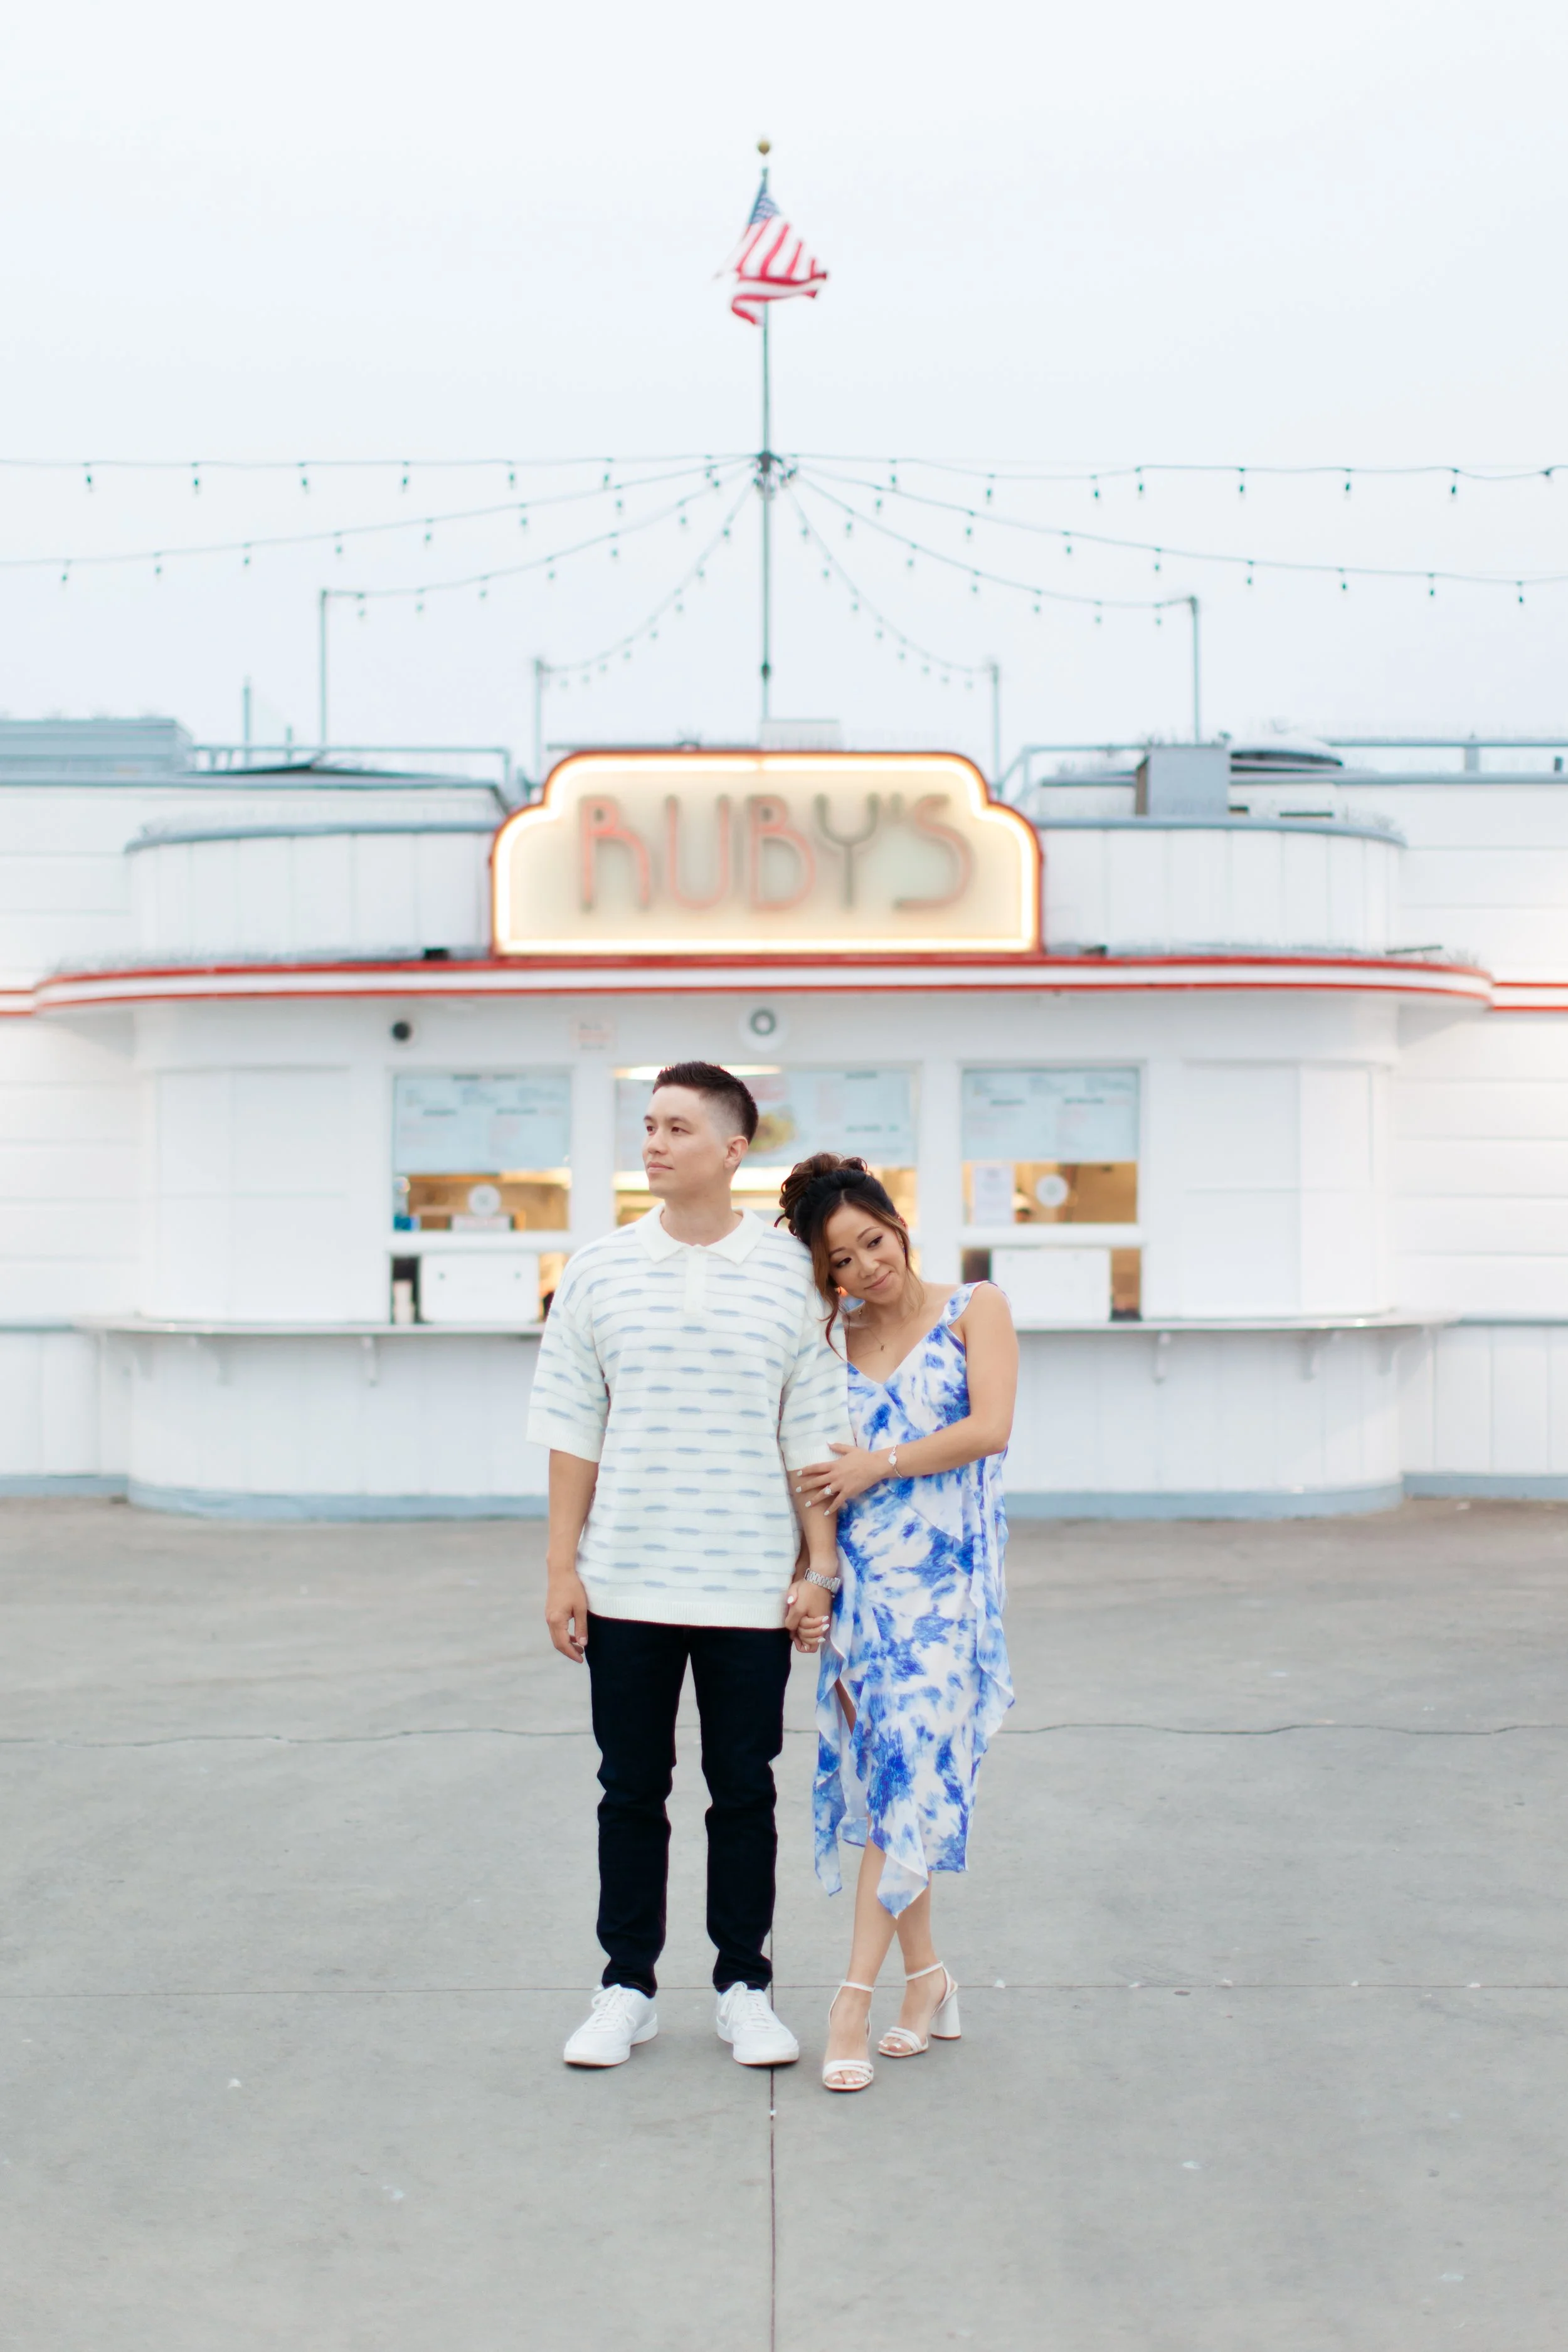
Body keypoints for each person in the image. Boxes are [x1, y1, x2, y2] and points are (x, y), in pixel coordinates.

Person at [529, 1062, 847, 2070]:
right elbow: (572, 1429)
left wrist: (818, 1570)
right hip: (626, 1577)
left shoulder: (793, 1277)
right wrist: (560, 1569)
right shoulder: (597, 1269)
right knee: (631, 1789)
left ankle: (744, 1984)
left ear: (732, 1150)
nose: (654, 1142)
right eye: (649, 1125)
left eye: (676, 1127)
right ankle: (625, 1985)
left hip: (749, 1584)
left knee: (743, 1791)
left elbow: (814, 1437)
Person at [778, 1153, 1017, 2093]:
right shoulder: (826, 1340)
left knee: (906, 1766)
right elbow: (814, 1474)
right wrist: (820, 1578)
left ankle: (852, 1996)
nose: (864, 1268)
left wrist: (879, 1462)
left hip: (946, 1588)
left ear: (898, 1223)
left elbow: (989, 1427)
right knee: (890, 1791)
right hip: (865, 1593)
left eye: (871, 1241)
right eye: (839, 1259)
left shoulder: (975, 1308)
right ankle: (930, 1980)